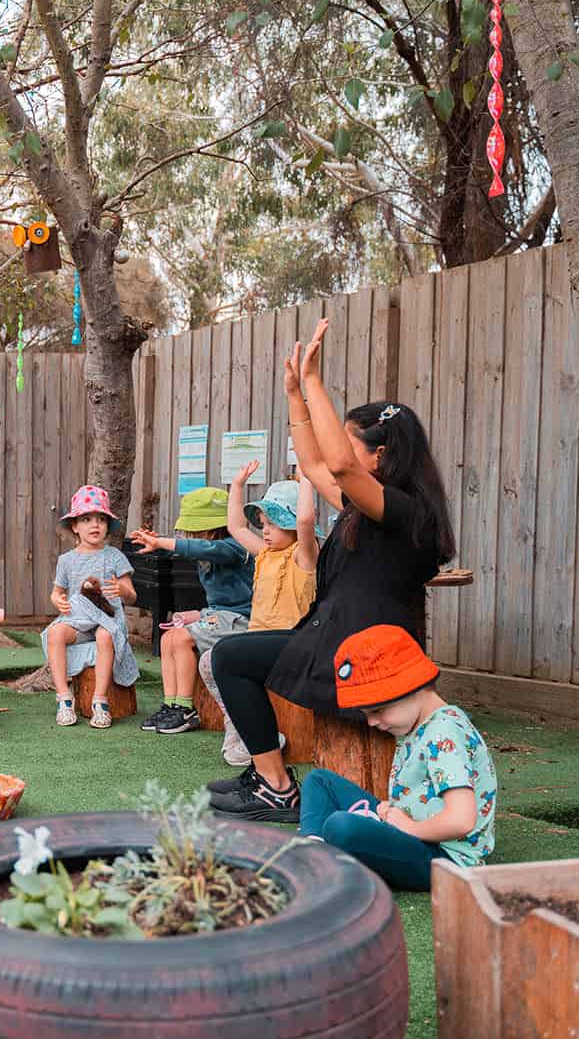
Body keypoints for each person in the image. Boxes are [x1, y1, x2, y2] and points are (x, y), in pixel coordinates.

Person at [207, 317, 456, 822]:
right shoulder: (365, 506)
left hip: (366, 656)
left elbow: (337, 466)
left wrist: (317, 383)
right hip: (335, 639)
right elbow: (317, 465)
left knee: (231, 658)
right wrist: (296, 395)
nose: (340, 451)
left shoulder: (403, 510)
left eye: (351, 442)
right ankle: (271, 780)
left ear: (380, 455)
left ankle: (275, 786)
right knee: (231, 656)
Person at [299, 625, 496, 891]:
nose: (371, 722)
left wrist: (408, 827)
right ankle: (312, 851)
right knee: (320, 781)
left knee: (341, 826)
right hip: (407, 828)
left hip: (443, 860)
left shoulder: (444, 733)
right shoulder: (423, 722)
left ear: (413, 688)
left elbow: (461, 820)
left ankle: (319, 860)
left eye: (378, 710)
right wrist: (394, 812)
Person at [197, 464, 319, 765]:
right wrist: (237, 486)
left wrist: (306, 481)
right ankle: (239, 724)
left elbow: (305, 521)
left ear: (290, 525)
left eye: (273, 523)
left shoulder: (304, 556)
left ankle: (250, 731)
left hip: (290, 644)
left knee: (220, 659)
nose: (264, 530)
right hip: (255, 640)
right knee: (209, 661)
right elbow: (237, 528)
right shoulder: (264, 554)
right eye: (263, 523)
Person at [128, 486, 254, 734]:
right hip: (219, 616)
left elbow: (203, 549)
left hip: (242, 620)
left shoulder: (235, 546)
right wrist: (201, 614)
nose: (188, 535)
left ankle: (186, 708)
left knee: (184, 638)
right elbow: (219, 600)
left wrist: (162, 542)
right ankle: (170, 703)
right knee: (169, 638)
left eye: (193, 530)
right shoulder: (208, 549)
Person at [44, 486, 137, 729]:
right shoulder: (67, 560)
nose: (94, 525)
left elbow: (132, 595)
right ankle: (64, 697)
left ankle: (100, 700)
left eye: (101, 519)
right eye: (86, 519)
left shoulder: (114, 556)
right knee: (55, 633)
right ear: (75, 526)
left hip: (109, 619)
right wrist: (58, 601)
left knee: (105, 635)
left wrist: (122, 589)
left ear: (107, 526)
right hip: (80, 621)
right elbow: (57, 592)